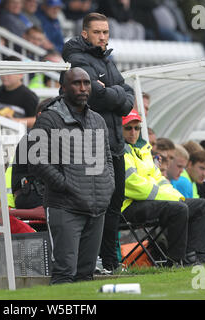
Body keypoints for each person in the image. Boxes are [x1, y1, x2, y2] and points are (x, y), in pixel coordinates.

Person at [62, 12, 135, 273]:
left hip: (115, 144)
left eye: (105, 32)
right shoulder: (78, 58)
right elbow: (93, 95)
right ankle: (93, 262)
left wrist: (111, 92)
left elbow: (129, 96)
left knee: (115, 204)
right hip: (93, 146)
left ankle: (111, 262)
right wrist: (114, 94)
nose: (103, 37)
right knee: (97, 206)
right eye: (97, 32)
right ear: (85, 34)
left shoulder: (107, 58)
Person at [28, 67, 115, 284]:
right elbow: (36, 160)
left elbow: (107, 158)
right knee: (64, 274)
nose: (83, 88)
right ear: (63, 88)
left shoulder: (97, 120)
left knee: (86, 275)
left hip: (96, 208)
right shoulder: (49, 119)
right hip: (65, 207)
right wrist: (64, 184)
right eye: (77, 83)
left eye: (86, 83)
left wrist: (108, 184)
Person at [121, 110, 205, 266]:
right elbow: (135, 186)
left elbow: (159, 180)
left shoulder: (143, 150)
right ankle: (174, 262)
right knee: (178, 208)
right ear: (119, 129)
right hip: (128, 206)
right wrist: (174, 199)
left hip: (148, 201)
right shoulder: (121, 151)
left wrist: (177, 196)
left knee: (202, 205)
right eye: (128, 128)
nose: (133, 132)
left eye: (137, 128)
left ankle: (195, 257)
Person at [0, 55, 40, 128]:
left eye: (9, 72)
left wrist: (13, 121)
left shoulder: (29, 96)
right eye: (2, 71)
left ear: (21, 74)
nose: (4, 75)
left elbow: (37, 120)